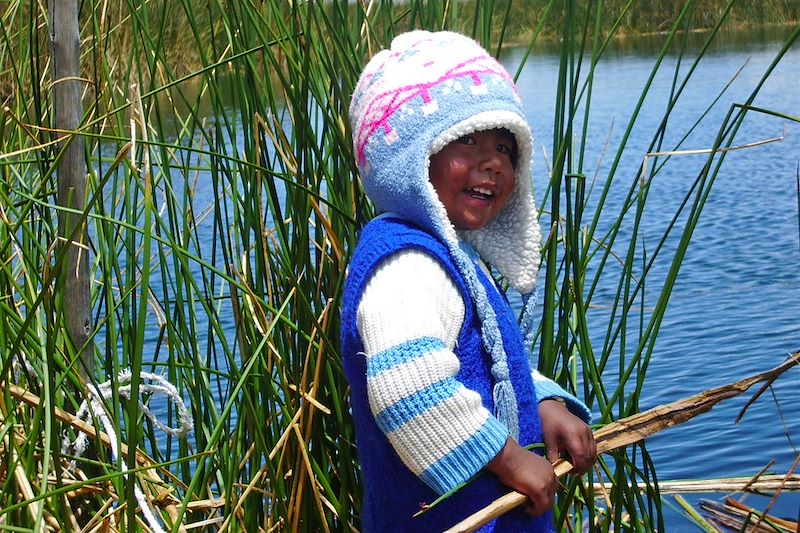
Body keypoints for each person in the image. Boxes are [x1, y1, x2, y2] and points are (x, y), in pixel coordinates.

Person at [341, 30, 596, 532]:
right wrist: (509, 459)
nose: (493, 161)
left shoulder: (449, 258)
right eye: (467, 139)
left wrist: (541, 402)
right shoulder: (407, 266)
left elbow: (482, 366)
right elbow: (408, 388)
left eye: (505, 146)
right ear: (410, 160)